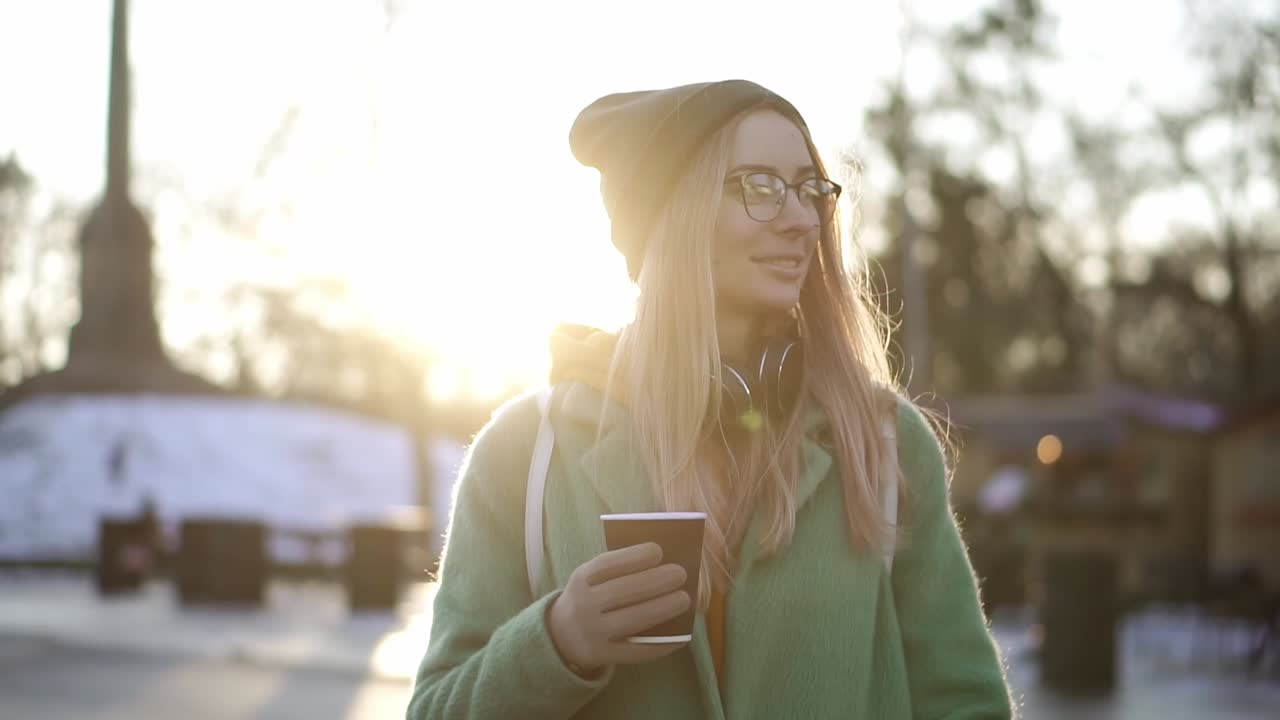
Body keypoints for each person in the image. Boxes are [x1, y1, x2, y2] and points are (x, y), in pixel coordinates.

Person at [408, 80, 1013, 719]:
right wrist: (558, 641)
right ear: (675, 212)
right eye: (760, 187)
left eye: (811, 190)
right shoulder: (525, 454)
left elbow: (967, 705)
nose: (803, 218)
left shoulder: (884, 443)